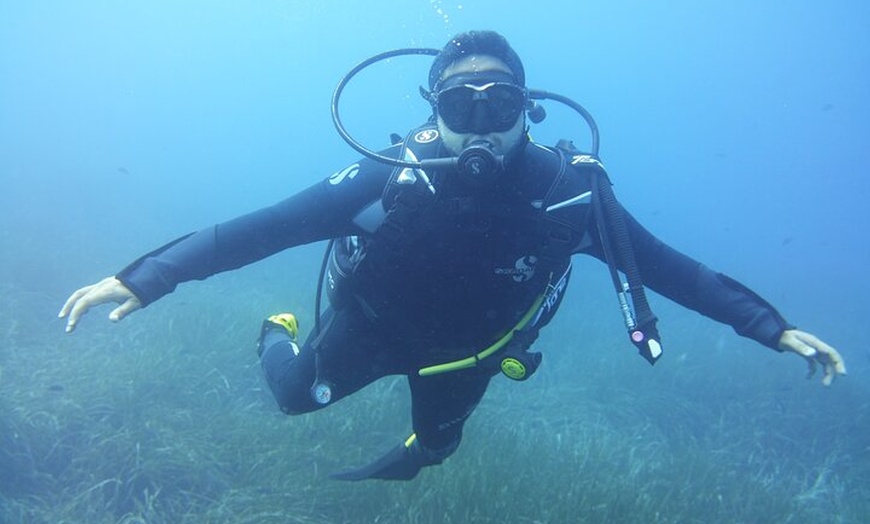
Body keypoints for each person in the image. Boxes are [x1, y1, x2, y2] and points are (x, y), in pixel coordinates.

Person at [59, 30, 846, 481]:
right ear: (431, 113)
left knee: (434, 449)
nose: (481, 124)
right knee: (293, 399)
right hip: (367, 328)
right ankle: (277, 327)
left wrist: (768, 326)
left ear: (526, 109)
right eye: (458, 105)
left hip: (475, 351)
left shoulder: (570, 192)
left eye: (499, 104)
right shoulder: (388, 178)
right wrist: (144, 276)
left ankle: (413, 452)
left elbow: (670, 270)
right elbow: (259, 229)